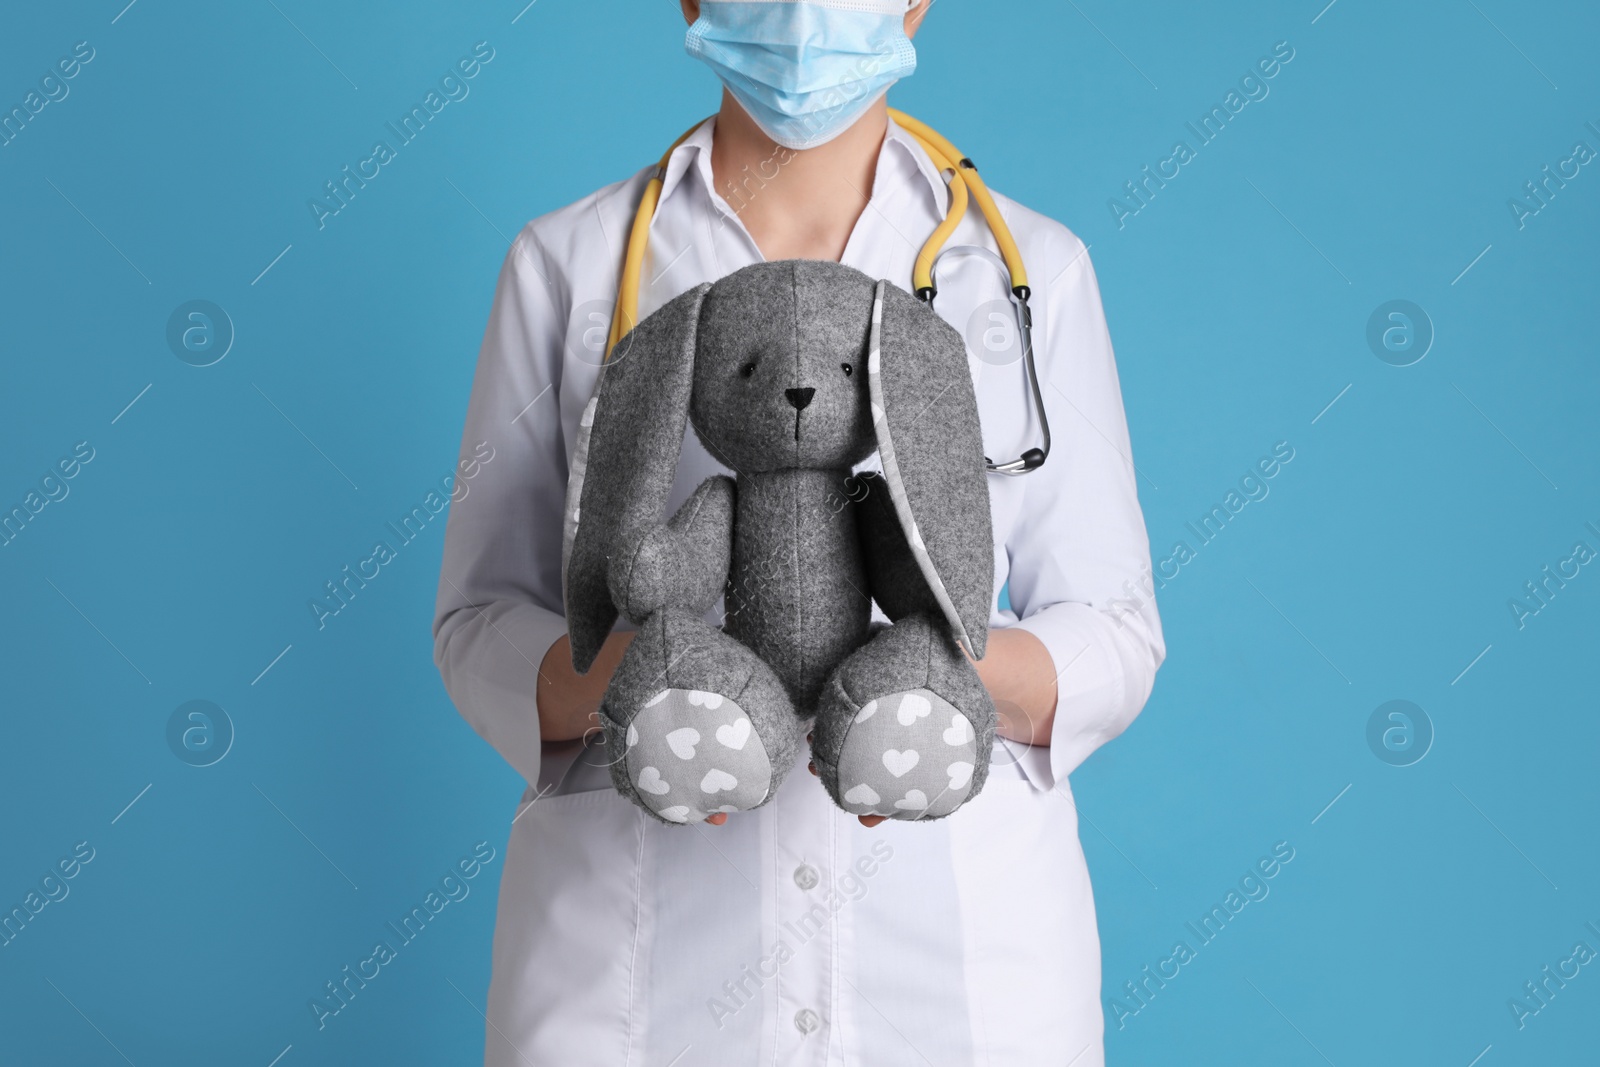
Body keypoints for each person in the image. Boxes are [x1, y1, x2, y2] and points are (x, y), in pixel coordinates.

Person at [432, 1, 1165, 1063]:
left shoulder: (1031, 271)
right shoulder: (569, 264)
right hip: (638, 978)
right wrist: (659, 689)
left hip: (958, 967)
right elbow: (478, 623)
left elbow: (1117, 630)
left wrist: (929, 686)